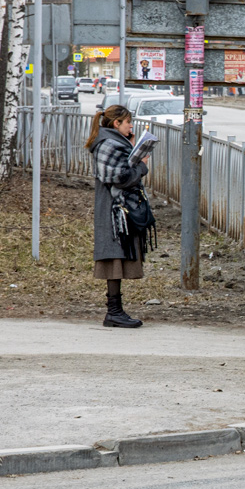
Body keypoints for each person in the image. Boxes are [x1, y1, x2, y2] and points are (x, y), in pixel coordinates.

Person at [85, 105, 151, 328]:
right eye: (128, 122)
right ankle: (113, 312)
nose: (131, 126)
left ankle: (115, 311)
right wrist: (141, 167)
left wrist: (132, 148)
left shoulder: (114, 142)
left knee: (118, 256)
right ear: (116, 124)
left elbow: (122, 168)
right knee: (114, 256)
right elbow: (120, 177)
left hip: (116, 208)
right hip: (113, 210)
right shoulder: (109, 144)